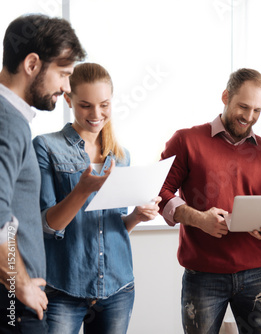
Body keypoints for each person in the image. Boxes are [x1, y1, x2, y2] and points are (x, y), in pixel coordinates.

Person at [32, 62, 161, 334]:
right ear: (68, 99)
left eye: (104, 104)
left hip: (118, 286)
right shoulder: (46, 146)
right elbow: (47, 225)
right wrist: (82, 190)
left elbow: (113, 225)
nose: (96, 114)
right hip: (65, 287)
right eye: (85, 105)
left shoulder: (121, 155)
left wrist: (137, 216)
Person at [159, 68, 261, 333]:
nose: (249, 117)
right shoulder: (186, 140)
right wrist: (198, 219)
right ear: (226, 96)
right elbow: (160, 193)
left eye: (257, 111)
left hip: (258, 274)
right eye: (243, 106)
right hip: (203, 275)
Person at [0, 14, 85, 332]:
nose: (66, 87)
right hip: (14, 304)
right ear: (32, 64)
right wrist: (19, 283)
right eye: (63, 74)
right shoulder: (7, 122)